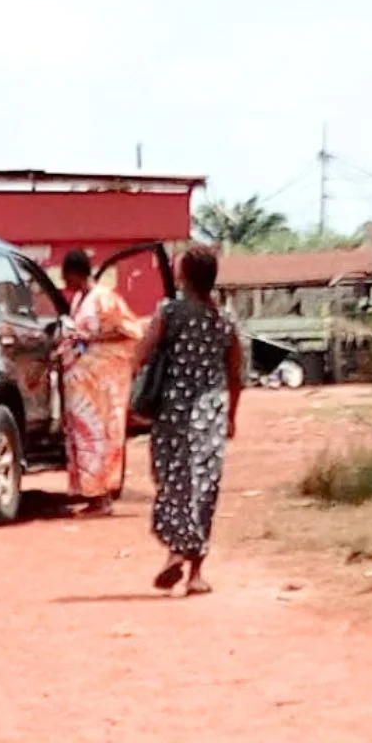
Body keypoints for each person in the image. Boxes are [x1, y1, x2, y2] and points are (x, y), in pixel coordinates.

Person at [131, 245, 243, 596]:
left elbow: (141, 354)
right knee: (203, 489)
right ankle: (194, 573)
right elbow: (235, 374)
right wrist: (231, 417)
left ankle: (175, 552)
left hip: (174, 414)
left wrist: (140, 386)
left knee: (173, 483)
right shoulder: (225, 320)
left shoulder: (169, 313)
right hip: (211, 414)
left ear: (184, 276)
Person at [57, 249, 142, 518]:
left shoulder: (105, 299)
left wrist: (93, 339)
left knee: (100, 439)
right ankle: (93, 496)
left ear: (74, 273)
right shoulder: (80, 300)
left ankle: (102, 498)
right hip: (82, 387)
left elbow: (131, 332)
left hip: (100, 388)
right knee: (84, 440)